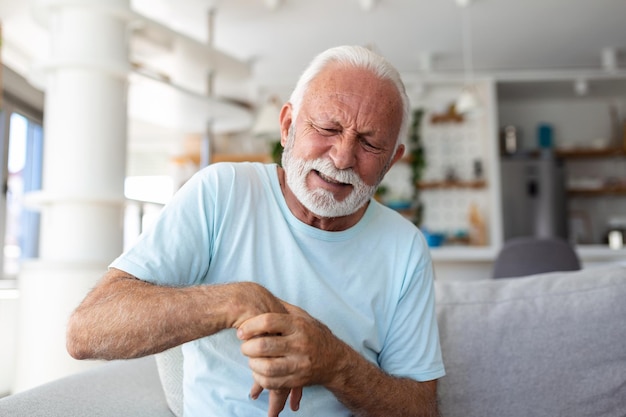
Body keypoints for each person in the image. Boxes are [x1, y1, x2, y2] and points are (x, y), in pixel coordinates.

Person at [66, 45, 445, 417]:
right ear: (287, 126)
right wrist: (237, 301)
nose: (343, 157)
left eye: (369, 143)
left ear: (392, 160)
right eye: (328, 128)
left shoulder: (405, 246)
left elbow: (422, 409)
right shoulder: (222, 191)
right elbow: (87, 330)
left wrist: (335, 363)